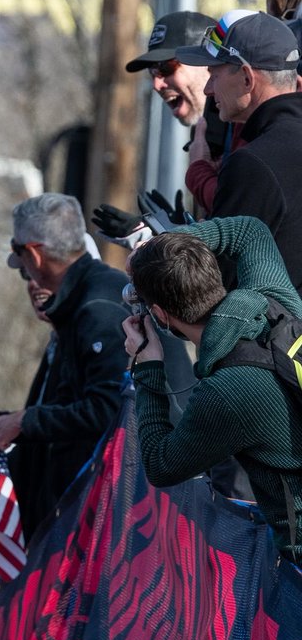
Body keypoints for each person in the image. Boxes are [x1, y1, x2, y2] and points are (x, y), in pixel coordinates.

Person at [124, 215, 302, 564]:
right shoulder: (274, 301)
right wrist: (170, 243)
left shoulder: (229, 392)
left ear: (159, 315)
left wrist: (147, 366)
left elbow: (161, 466)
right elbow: (251, 230)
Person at [0, 193, 132, 540]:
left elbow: (111, 410)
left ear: (33, 254)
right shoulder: (88, 300)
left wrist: (25, 420)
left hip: (110, 519)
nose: (28, 277)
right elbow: (68, 407)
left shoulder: (97, 309)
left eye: (21, 260)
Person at [176, 10, 302, 291]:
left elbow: (214, 290)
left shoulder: (254, 162)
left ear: (247, 78)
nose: (208, 89)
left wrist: (152, 257)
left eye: (214, 74)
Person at [122, 10, 230, 217]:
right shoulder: (209, 134)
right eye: (152, 72)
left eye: (166, 67)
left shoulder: (245, 127)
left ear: (206, 62)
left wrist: (199, 173)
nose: (156, 84)